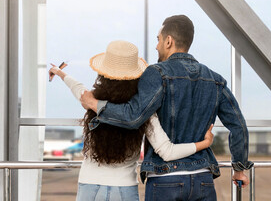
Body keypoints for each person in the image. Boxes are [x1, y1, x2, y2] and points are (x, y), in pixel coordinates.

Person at [81, 15, 254, 201]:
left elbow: (133, 117)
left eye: (158, 39)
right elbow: (239, 126)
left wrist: (94, 104)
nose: (157, 46)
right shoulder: (216, 80)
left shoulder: (157, 73)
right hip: (203, 177)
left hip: (165, 178)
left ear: (169, 41)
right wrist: (239, 169)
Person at [48, 40, 214, 201]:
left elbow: (77, 87)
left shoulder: (92, 101)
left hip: (89, 185)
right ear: (136, 77)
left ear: (103, 74)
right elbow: (167, 151)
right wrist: (204, 144)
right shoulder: (143, 112)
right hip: (124, 188)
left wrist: (58, 72)